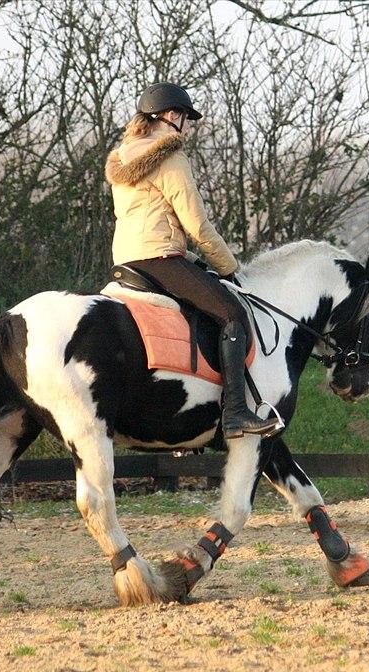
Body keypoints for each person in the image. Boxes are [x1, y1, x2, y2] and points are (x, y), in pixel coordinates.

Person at [105, 82, 279, 439]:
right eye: (186, 118)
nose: (188, 126)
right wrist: (229, 266)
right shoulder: (170, 155)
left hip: (127, 259)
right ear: (172, 116)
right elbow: (196, 223)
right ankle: (235, 413)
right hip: (160, 257)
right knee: (232, 312)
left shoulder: (123, 157)